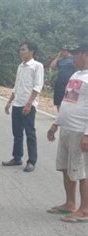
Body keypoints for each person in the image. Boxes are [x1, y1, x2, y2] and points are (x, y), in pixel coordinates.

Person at [46, 42, 88, 223]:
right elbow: (67, 100)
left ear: (85, 54)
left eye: (76, 54)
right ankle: (70, 203)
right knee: (66, 168)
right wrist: (56, 124)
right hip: (66, 128)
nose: (72, 58)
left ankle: (85, 210)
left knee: (81, 171)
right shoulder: (76, 74)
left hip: (80, 130)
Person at [3, 41, 44, 172]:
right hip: (17, 103)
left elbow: (38, 86)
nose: (21, 51)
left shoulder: (37, 66)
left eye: (23, 49)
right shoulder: (20, 66)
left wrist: (29, 103)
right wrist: (9, 102)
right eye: (20, 49)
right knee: (17, 133)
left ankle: (31, 161)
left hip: (28, 105)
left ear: (31, 51)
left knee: (30, 133)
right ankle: (17, 157)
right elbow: (17, 86)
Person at [50, 46, 76, 111]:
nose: (62, 52)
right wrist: (58, 56)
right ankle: (59, 115)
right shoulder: (60, 60)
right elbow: (52, 66)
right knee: (58, 100)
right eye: (61, 51)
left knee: (68, 101)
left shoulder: (73, 59)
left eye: (63, 51)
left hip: (69, 83)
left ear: (67, 51)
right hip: (59, 82)